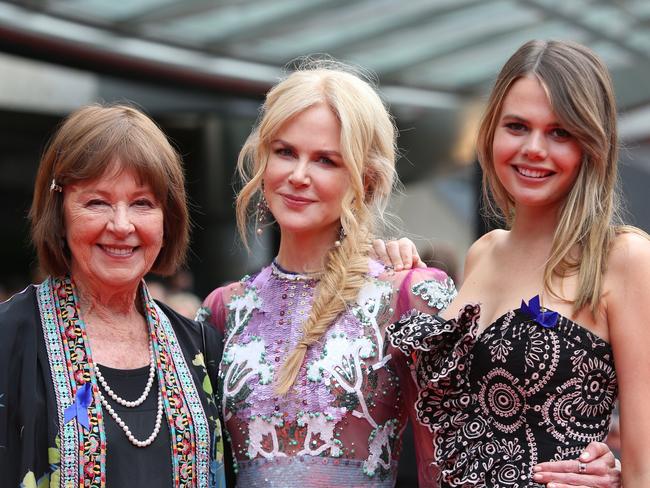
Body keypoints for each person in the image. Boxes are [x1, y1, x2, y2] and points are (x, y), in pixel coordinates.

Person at [197, 60, 621, 487]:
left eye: (326, 160)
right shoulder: (222, 311)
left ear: (365, 178)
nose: (298, 176)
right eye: (284, 152)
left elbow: (467, 446)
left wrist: (604, 469)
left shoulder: (410, 296)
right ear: (261, 160)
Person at [388, 39, 645, 486]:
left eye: (560, 132)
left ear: (592, 146)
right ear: (491, 132)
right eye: (517, 126)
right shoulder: (484, 251)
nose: (534, 148)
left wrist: (617, 478)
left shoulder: (624, 260)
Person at [0, 104, 226, 487]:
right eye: (97, 202)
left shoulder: (201, 347)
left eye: (142, 203)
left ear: (166, 219)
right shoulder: (8, 339)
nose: (121, 226)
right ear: (60, 212)